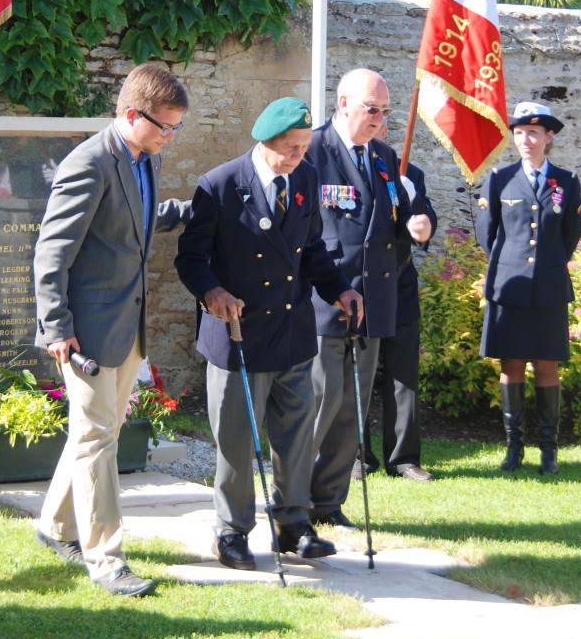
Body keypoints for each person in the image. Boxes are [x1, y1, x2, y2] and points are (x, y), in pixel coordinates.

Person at [175, 97, 364, 570]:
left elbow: (313, 250)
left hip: (292, 331)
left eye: (303, 147)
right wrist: (212, 292)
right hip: (238, 334)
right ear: (266, 142)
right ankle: (232, 531)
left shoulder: (304, 179)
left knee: (296, 434)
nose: (299, 156)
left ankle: (293, 524)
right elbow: (191, 258)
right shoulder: (219, 186)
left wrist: (341, 290)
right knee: (238, 441)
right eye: (291, 148)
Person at [33, 63, 190, 596]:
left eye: (176, 128)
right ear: (130, 114)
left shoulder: (143, 158)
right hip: (88, 331)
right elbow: (52, 251)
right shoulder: (89, 163)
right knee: (98, 439)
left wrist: (193, 210)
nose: (170, 137)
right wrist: (56, 325)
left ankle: (56, 527)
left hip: (127, 325)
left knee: (97, 433)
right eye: (165, 126)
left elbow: (139, 217)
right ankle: (106, 559)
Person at [305, 69, 433, 528]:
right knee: (320, 405)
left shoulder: (383, 157)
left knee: (348, 412)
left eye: (385, 111)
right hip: (325, 301)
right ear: (342, 103)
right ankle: (293, 502)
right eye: (370, 109)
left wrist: (414, 226)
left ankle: (328, 502)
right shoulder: (312, 150)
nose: (379, 119)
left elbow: (388, 222)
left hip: (371, 301)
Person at [475, 100, 581, 475]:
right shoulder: (500, 179)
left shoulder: (566, 182)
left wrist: (547, 265)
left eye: (533, 132)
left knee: (548, 365)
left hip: (550, 287)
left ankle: (549, 451)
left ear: (548, 136)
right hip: (510, 286)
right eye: (519, 133)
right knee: (512, 364)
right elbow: (487, 234)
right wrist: (513, 263)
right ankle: (514, 447)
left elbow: (570, 235)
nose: (525, 139)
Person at [362, 159, 438, 481]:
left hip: (400, 279)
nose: (378, 124)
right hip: (361, 284)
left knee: (404, 371)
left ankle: (404, 458)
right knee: (358, 372)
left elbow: (425, 216)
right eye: (371, 113)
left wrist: (421, 219)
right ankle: (355, 455)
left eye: (382, 117)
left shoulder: (408, 171)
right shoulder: (347, 166)